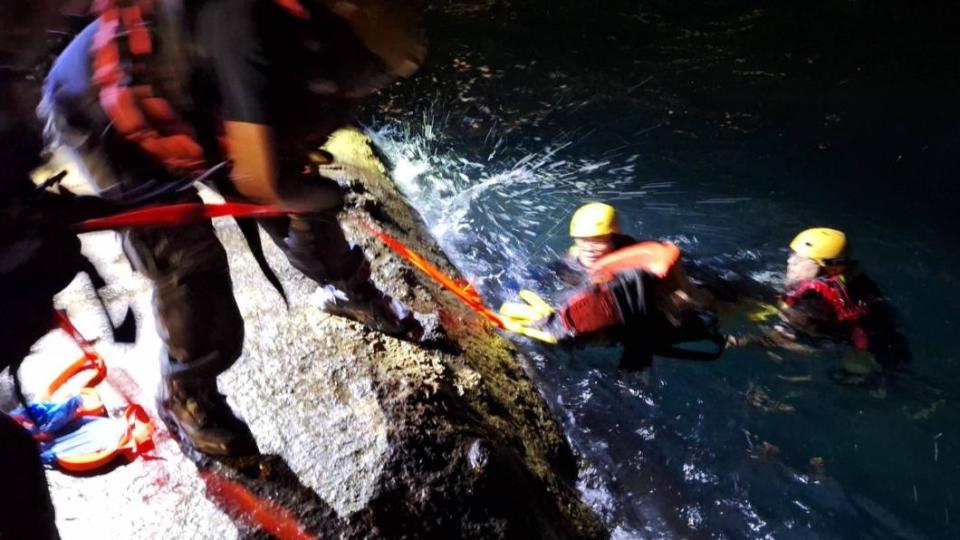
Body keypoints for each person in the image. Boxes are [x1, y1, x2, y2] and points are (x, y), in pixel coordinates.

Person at [39, 0, 428, 456]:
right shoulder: (242, 25)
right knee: (188, 257)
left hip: (197, 97)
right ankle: (185, 392)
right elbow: (256, 184)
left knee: (296, 186)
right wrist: (324, 196)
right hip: (102, 113)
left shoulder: (310, 35)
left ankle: (348, 291)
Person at [501, 202, 724, 370]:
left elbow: (666, 273)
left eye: (597, 240)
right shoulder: (573, 259)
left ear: (613, 238)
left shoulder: (635, 263)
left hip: (693, 304)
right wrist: (508, 289)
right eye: (582, 239)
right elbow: (538, 275)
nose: (589, 247)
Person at [729, 228, 910, 376]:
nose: (789, 261)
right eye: (792, 255)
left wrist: (737, 341)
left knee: (777, 357)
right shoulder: (855, 280)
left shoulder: (812, 304)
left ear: (826, 267)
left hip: (862, 358)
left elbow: (778, 341)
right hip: (887, 341)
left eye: (800, 260)